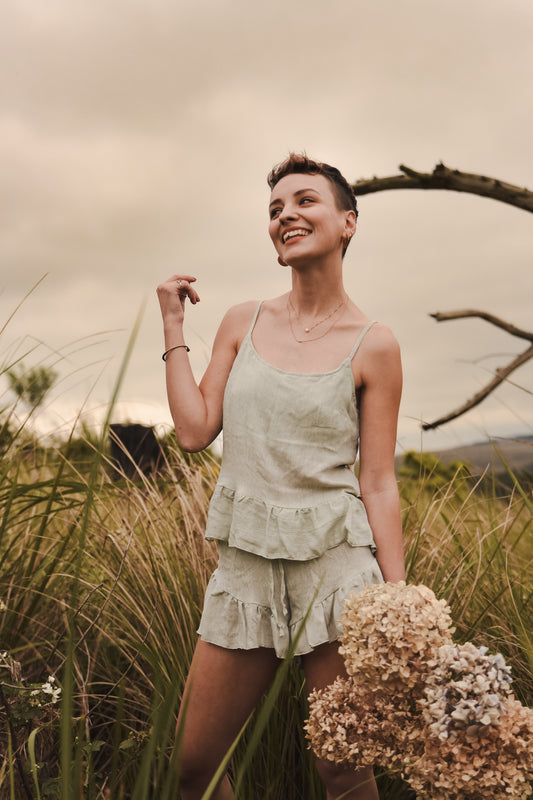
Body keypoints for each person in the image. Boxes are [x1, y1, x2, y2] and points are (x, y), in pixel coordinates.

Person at [156, 153, 405, 800]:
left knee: (344, 772)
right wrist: (174, 326)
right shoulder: (244, 321)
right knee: (194, 769)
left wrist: (396, 603)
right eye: (274, 209)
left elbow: (377, 481)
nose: (285, 216)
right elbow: (191, 431)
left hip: (338, 569)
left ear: (347, 222)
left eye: (304, 202)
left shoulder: (374, 344)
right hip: (246, 569)